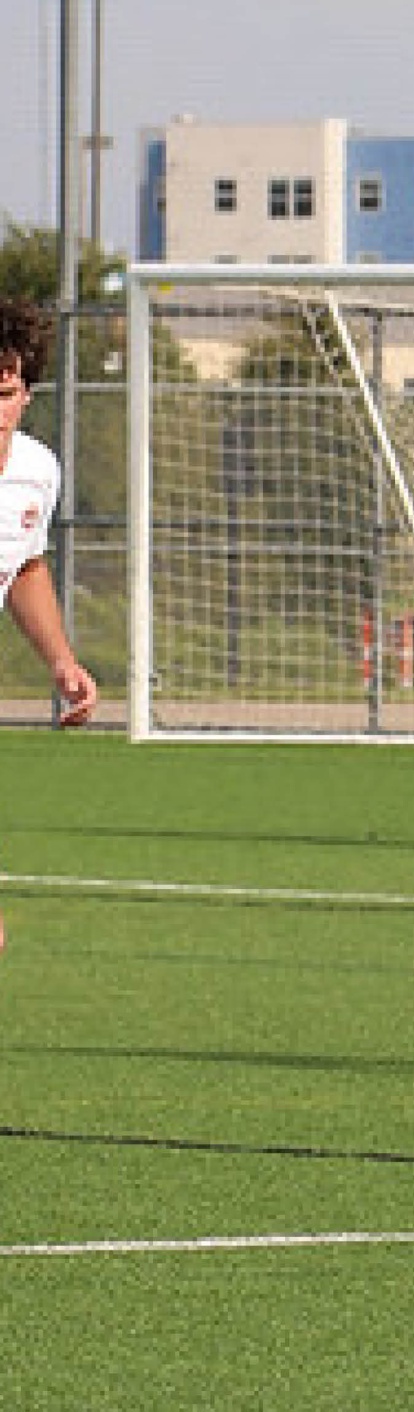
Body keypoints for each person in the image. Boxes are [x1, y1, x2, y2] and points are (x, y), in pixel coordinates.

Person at [0, 299, 100, 962]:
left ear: (26, 395)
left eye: (2, 393)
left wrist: (62, 661)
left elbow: (25, 562)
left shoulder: (37, 470)